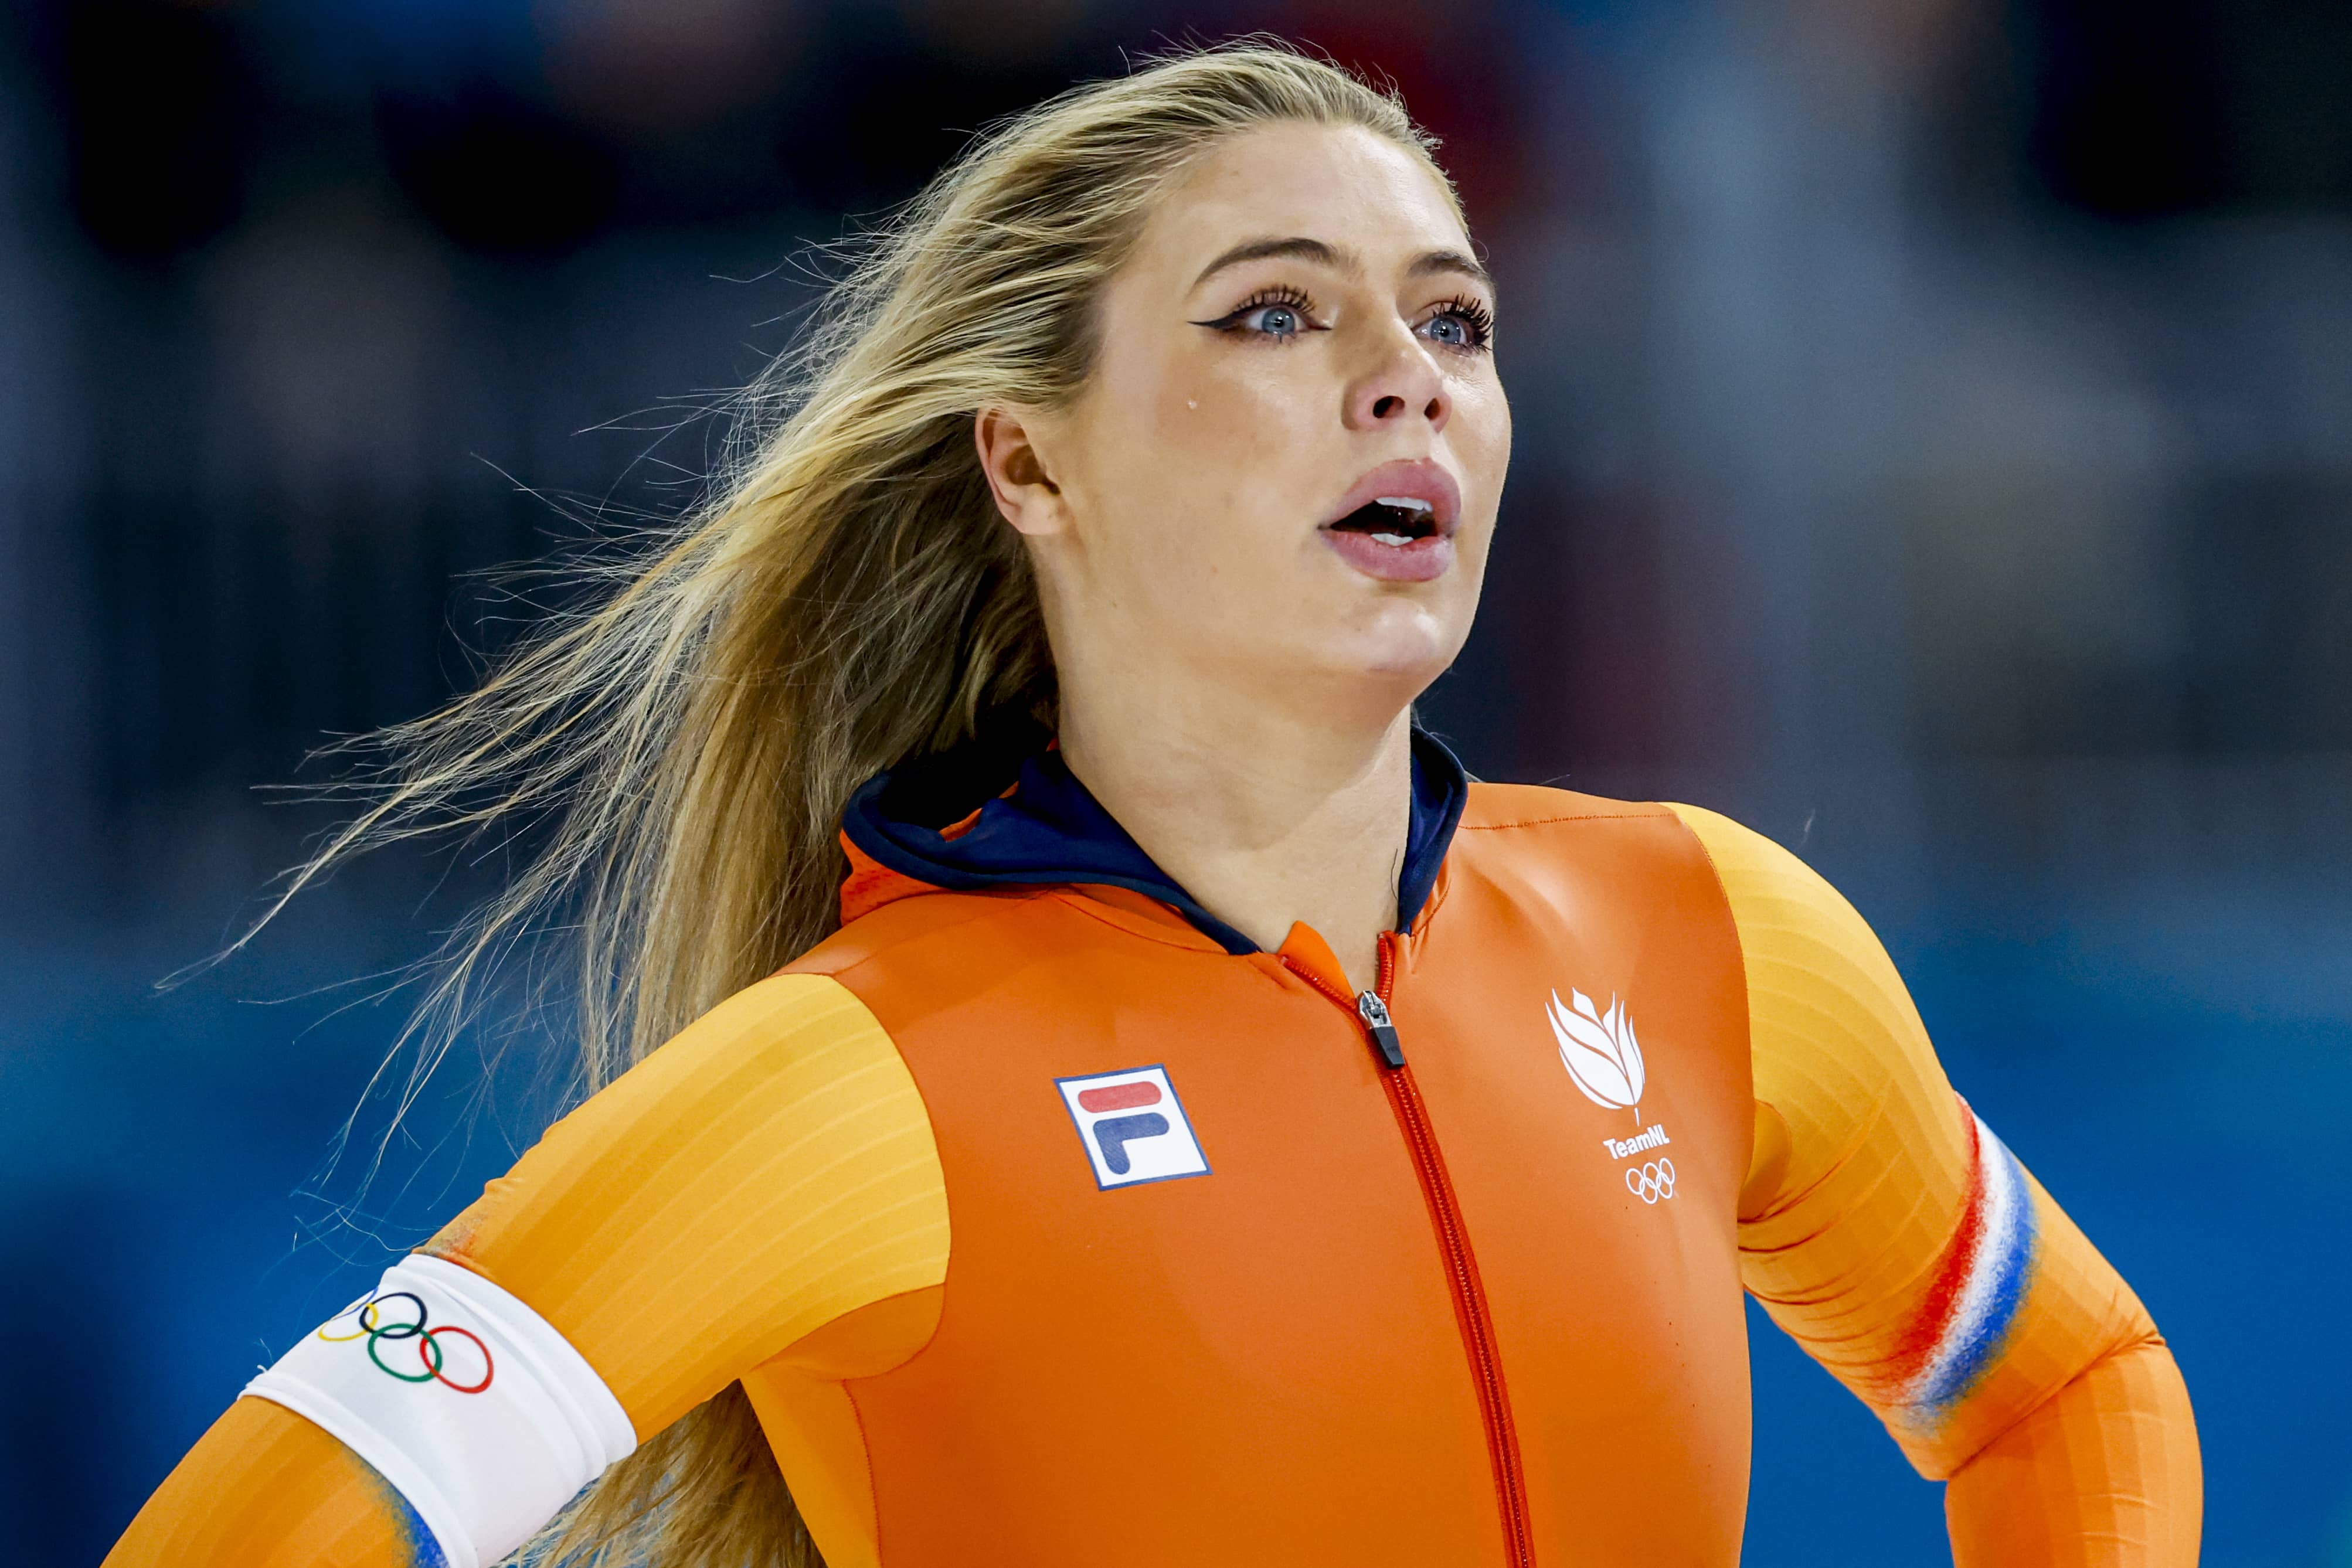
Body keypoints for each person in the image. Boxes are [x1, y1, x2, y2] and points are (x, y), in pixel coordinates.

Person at [105, 43, 2199, 1568]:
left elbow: (2067, 1385)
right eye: (1276, 311)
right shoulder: (860, 1085)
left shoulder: (1707, 937)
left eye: (1452, 318)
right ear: (1029, 461)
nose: (1406, 374)